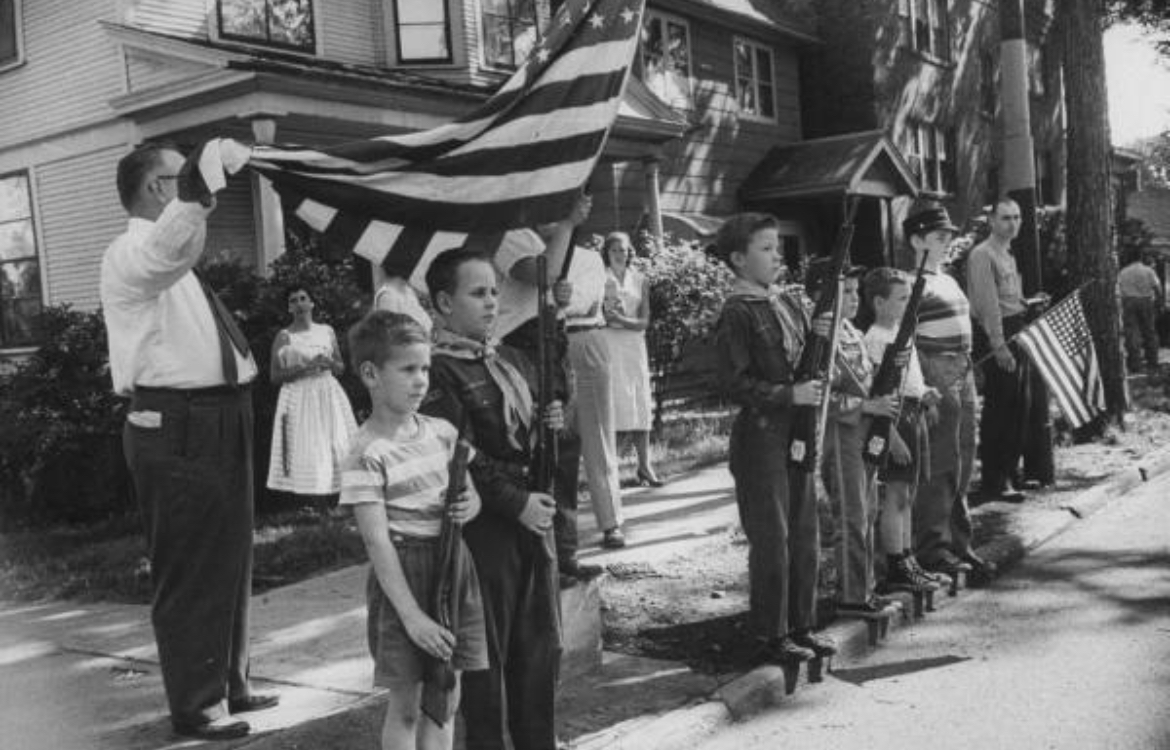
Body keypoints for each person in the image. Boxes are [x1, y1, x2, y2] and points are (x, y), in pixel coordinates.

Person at [101, 141, 277, 740]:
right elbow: (164, 254)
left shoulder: (171, 256)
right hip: (176, 420)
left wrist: (196, 192)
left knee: (230, 555)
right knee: (192, 563)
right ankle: (198, 705)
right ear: (157, 188)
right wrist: (201, 192)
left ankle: (229, 683)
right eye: (181, 179)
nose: (196, 189)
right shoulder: (131, 252)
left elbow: (177, 251)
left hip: (219, 411)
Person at [420, 247, 564, 750]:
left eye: (494, 292)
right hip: (486, 529)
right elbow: (460, 451)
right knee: (487, 657)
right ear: (444, 303)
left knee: (538, 648)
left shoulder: (506, 361)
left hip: (530, 517)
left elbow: (524, 441)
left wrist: (548, 426)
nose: (491, 302)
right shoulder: (439, 371)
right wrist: (516, 503)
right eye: (477, 293)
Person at [340, 311, 488, 750]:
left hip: (453, 564)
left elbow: (472, 497)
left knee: (445, 695)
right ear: (371, 374)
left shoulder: (442, 433)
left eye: (425, 368)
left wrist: (470, 505)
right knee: (405, 706)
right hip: (403, 575)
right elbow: (377, 541)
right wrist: (412, 616)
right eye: (408, 369)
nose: (421, 380)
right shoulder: (366, 451)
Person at [711, 213, 837, 666]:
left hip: (796, 430)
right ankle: (771, 634)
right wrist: (788, 395)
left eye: (776, 247)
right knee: (773, 537)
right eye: (765, 248)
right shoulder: (737, 311)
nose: (776, 255)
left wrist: (817, 339)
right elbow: (733, 382)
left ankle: (801, 625)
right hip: (762, 436)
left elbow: (800, 362)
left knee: (804, 532)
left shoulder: (784, 304)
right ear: (738, 259)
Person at [492, 195, 612, 577]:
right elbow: (541, 271)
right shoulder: (509, 233)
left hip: (552, 342)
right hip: (522, 347)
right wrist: (569, 224)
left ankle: (565, 553)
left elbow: (552, 284)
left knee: (564, 448)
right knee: (537, 452)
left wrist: (560, 296)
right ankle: (540, 562)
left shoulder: (541, 239)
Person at [907, 203, 996, 583]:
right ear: (916, 240)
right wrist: (922, 386)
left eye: (948, 237)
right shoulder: (911, 284)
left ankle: (960, 543)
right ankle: (933, 548)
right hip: (934, 366)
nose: (946, 242)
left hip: (963, 367)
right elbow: (904, 341)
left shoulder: (947, 279)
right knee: (940, 459)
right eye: (939, 237)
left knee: (964, 454)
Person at [817, 267, 901, 615]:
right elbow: (822, 396)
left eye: (855, 291)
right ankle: (851, 595)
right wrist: (866, 406)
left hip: (864, 433)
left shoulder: (850, 330)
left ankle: (866, 587)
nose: (854, 299)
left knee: (867, 510)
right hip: (840, 435)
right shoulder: (821, 339)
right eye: (846, 292)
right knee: (851, 514)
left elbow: (864, 379)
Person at [861, 268, 943, 594]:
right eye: (901, 299)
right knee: (896, 493)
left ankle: (909, 558)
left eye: (910, 298)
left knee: (908, 493)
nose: (908, 305)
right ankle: (895, 564)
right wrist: (891, 437)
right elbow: (877, 389)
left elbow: (910, 379)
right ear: (879, 303)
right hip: (893, 418)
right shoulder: (875, 339)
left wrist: (925, 394)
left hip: (912, 412)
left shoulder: (901, 331)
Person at [560, 224, 627, 549]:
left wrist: (550, 296)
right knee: (555, 440)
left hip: (585, 338)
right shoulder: (528, 257)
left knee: (597, 436)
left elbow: (581, 303)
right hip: (545, 343)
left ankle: (611, 522)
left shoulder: (586, 259)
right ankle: (560, 531)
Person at [967, 198, 1033, 502]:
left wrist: (1026, 303)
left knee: (1018, 405)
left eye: (1017, 217)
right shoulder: (983, 254)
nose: (1012, 223)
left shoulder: (1008, 253)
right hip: (998, 334)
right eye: (1006, 218)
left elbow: (1008, 297)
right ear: (991, 221)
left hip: (1015, 329)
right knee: (1000, 408)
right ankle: (994, 480)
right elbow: (988, 305)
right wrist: (998, 345)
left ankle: (1010, 470)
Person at [266, 285, 357, 505]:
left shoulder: (326, 331)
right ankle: (313, 502)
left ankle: (343, 498)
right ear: (289, 308)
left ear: (311, 303)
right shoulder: (284, 336)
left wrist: (328, 363)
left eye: (303, 298)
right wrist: (306, 367)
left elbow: (340, 367)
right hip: (299, 396)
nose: (299, 304)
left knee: (337, 440)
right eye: (293, 300)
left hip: (328, 392)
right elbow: (274, 376)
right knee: (308, 446)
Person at [600, 231, 663, 487]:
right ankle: (610, 470)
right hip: (609, 344)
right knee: (615, 402)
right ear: (607, 253)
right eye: (614, 250)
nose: (619, 254)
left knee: (640, 401)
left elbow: (644, 321)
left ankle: (645, 466)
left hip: (634, 346)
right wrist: (610, 319)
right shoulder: (599, 277)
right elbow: (596, 314)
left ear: (630, 253)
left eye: (624, 250)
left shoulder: (639, 279)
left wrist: (622, 320)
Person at [1118, 250, 1164, 373]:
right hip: (1146, 301)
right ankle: (1152, 361)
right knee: (1149, 331)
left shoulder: (1123, 272)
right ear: (1141, 257)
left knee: (1132, 333)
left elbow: (1118, 289)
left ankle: (1135, 363)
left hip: (1129, 302)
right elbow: (1157, 287)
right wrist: (1160, 302)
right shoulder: (1148, 271)